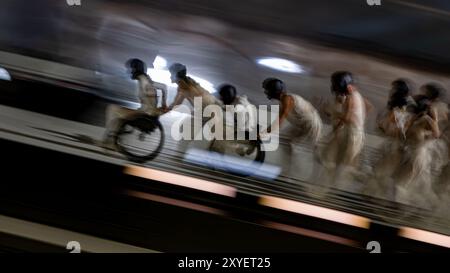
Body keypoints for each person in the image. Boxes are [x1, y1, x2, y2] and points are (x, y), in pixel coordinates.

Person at [318, 71, 372, 189]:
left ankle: (364, 178)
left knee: (344, 165)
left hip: (352, 135)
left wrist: (333, 116)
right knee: (333, 159)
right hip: (351, 132)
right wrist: (359, 119)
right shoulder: (356, 94)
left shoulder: (350, 98)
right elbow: (368, 106)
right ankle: (327, 187)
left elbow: (346, 118)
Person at [260, 78, 323, 179]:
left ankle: (316, 173)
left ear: (274, 91)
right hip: (302, 125)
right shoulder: (282, 102)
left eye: (267, 90)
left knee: (310, 151)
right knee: (285, 140)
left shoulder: (287, 100)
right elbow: (277, 124)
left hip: (312, 125)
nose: (266, 92)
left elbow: (278, 123)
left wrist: (262, 134)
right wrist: (264, 133)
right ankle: (286, 173)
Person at [392, 96, 445, 207]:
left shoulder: (425, 119)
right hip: (416, 155)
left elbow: (436, 134)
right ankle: (434, 206)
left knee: (401, 184)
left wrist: (426, 137)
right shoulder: (416, 120)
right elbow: (405, 135)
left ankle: (402, 208)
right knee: (415, 185)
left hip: (418, 156)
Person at [102, 58, 167, 149]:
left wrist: (154, 107)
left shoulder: (144, 82)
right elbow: (163, 87)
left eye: (131, 69)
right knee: (117, 113)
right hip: (146, 113)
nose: (129, 71)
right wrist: (163, 103)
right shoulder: (145, 80)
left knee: (112, 109)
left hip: (145, 115)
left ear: (136, 69)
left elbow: (150, 101)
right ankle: (111, 139)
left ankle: (110, 140)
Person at [365, 79, 414, 199]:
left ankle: (383, 201)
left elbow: (399, 131)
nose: (391, 91)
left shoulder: (403, 109)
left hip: (396, 149)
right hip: (392, 147)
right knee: (380, 173)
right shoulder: (400, 108)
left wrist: (385, 125)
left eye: (394, 89)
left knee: (382, 174)